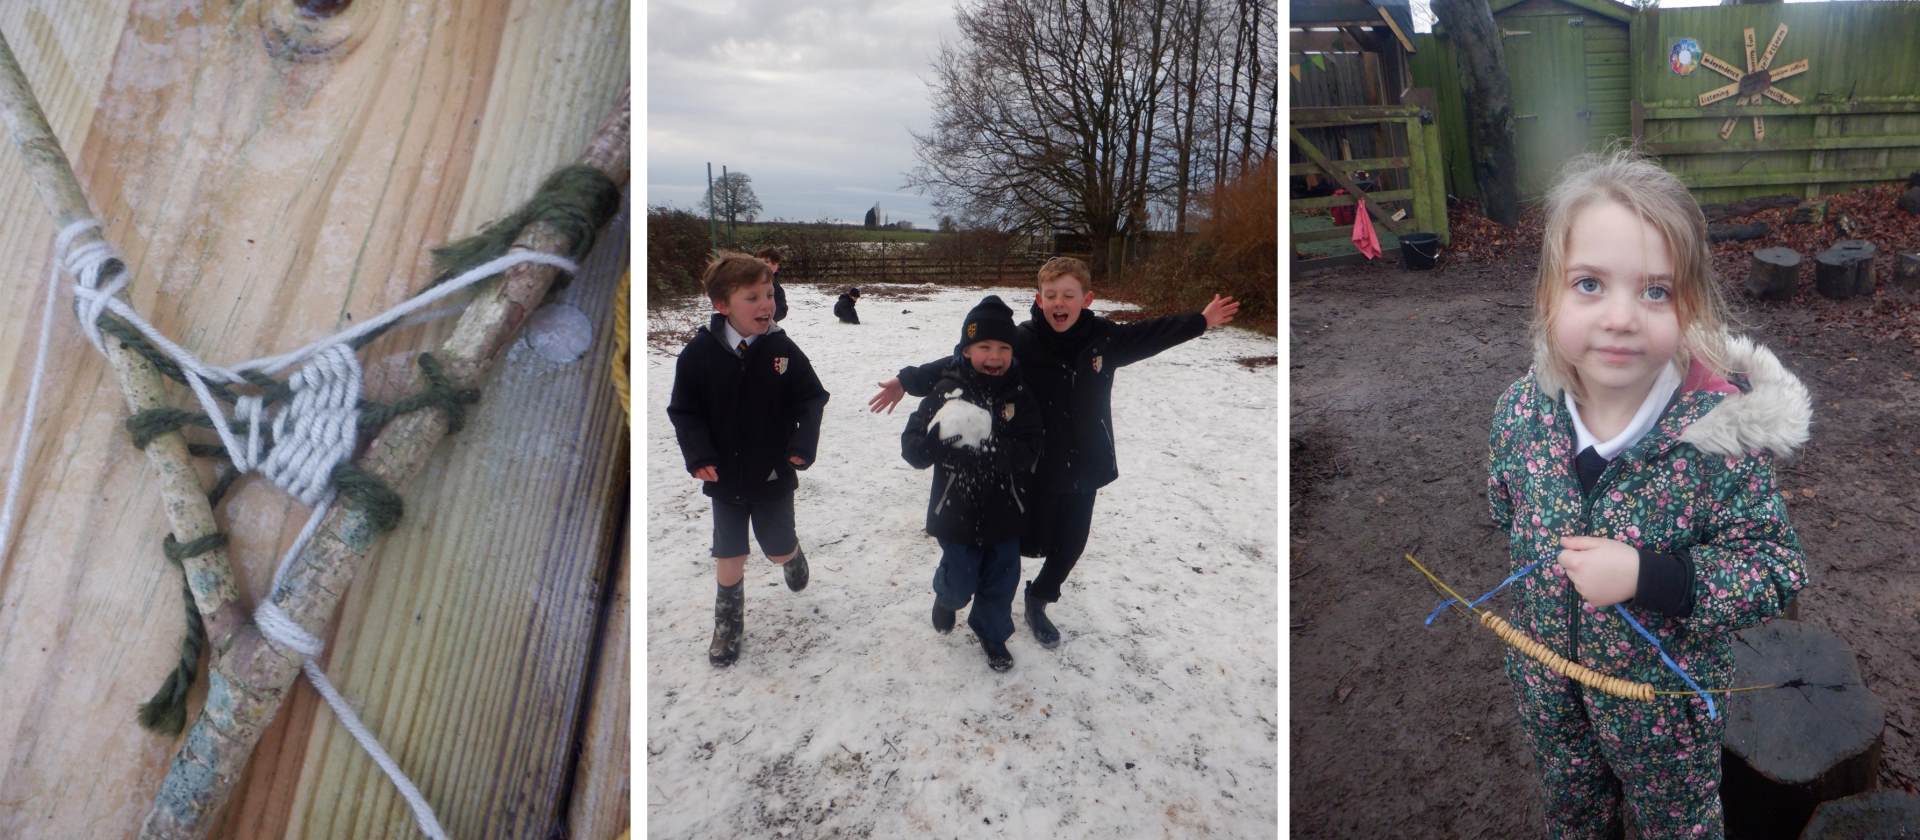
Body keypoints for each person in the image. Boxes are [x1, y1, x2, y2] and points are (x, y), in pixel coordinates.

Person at [1484, 150, 1809, 837]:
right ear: (1549, 298)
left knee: (1677, 824)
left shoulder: (1719, 440)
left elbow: (1776, 567)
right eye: (1590, 284)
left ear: (1691, 307)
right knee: (1573, 813)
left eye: (1655, 291)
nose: (1623, 317)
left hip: (1665, 717)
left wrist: (1649, 576)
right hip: (1549, 693)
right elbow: (1503, 503)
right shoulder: (1520, 413)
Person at [869, 257, 1239, 649]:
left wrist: (1201, 321)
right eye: (1051, 295)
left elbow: (1150, 334)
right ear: (1039, 299)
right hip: (1036, 463)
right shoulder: (1023, 340)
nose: (1059, 303)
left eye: (1068, 295)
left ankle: (1040, 598)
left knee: (1071, 545)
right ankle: (959, 590)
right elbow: (962, 360)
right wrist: (908, 381)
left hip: (1087, 462)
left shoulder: (1104, 340)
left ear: (1087, 298)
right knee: (1023, 541)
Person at [667, 253, 829, 667]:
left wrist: (802, 442)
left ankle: (789, 555)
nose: (766, 305)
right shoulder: (698, 355)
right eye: (752, 297)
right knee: (729, 552)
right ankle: (727, 625)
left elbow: (812, 397)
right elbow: (684, 410)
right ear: (722, 305)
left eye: (769, 294)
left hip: (772, 471)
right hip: (724, 474)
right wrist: (698, 454)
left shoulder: (782, 350)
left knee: (773, 547)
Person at [901, 295, 1043, 671]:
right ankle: (947, 598)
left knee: (1001, 580)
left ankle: (992, 634)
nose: (994, 357)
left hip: (1006, 512)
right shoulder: (946, 391)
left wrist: (992, 451)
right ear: (966, 350)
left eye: (1003, 348)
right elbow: (912, 445)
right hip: (956, 511)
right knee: (960, 575)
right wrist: (929, 446)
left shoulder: (1020, 396)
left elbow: (1031, 448)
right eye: (984, 347)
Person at [755, 246, 789, 323]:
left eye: (766, 262)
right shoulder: (749, 282)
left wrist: (765, 317)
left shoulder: (776, 288)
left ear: (776, 266)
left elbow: (782, 310)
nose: (762, 265)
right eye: (759, 262)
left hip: (766, 325)